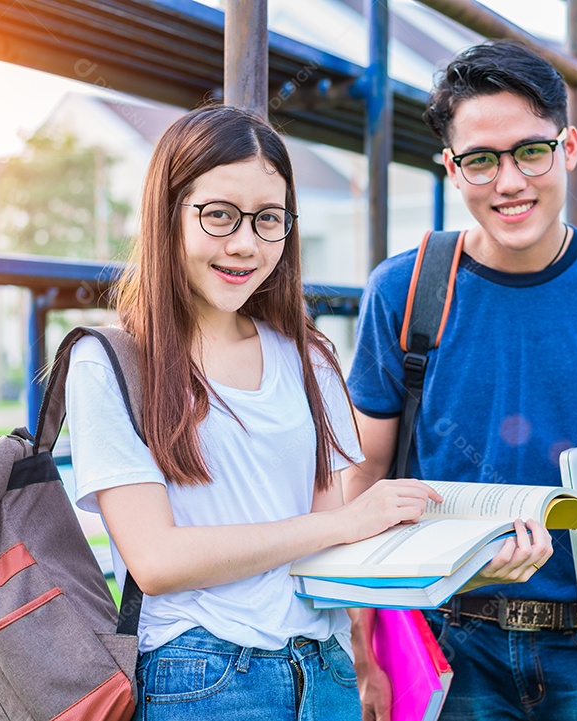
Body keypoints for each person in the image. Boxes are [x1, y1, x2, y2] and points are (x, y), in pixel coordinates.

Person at [343, 41, 577, 721]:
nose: (509, 181)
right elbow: (361, 476)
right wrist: (363, 645)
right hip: (444, 637)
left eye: (530, 151)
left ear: (568, 146)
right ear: (451, 169)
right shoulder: (403, 290)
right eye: (481, 160)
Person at [64, 104, 443, 721]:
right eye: (218, 216)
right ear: (167, 215)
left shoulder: (309, 356)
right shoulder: (111, 362)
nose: (245, 244)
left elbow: (329, 551)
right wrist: (345, 524)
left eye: (269, 220)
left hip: (323, 668)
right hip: (203, 677)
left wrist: (461, 562)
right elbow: (157, 562)